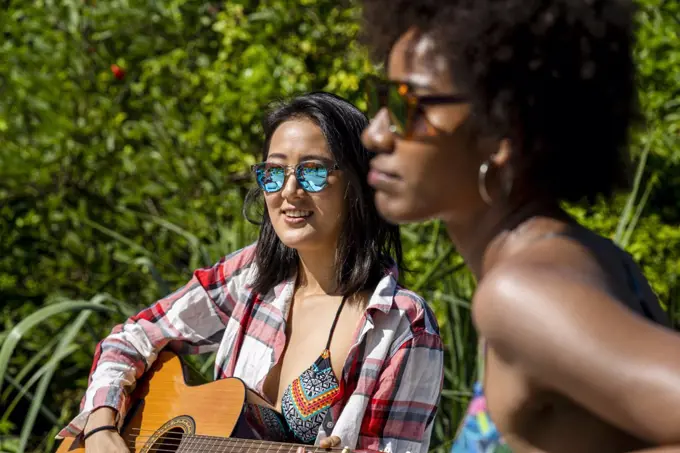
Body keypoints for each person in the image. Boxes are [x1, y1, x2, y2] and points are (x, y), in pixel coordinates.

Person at [359, 0, 680, 452]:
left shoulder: (520, 293)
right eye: (380, 97)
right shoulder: (598, 258)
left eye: (409, 104)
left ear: (501, 131)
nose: (374, 132)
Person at [58, 92, 444, 453]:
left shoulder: (402, 325)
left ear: (358, 183)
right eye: (274, 173)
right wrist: (102, 427)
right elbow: (132, 338)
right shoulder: (252, 276)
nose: (289, 190)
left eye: (312, 172)